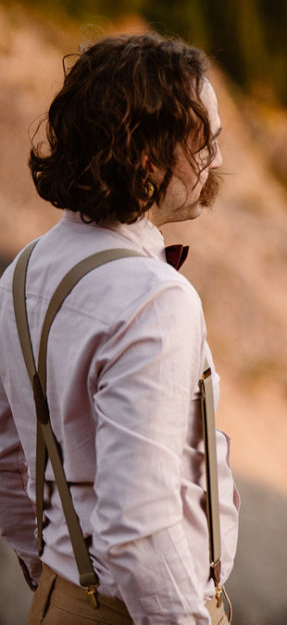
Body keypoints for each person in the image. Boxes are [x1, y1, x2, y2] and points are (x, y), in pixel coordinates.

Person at [0, 32, 239, 624]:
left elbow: (7, 465)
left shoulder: (21, 272)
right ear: (148, 156)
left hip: (59, 600)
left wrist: (61, 577)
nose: (214, 159)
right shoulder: (156, 300)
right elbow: (140, 525)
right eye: (202, 140)